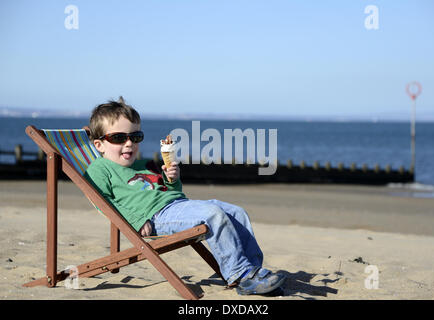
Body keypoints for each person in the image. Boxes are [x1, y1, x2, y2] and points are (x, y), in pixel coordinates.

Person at [83, 96, 286, 295]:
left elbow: (174, 194)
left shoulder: (142, 164)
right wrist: (135, 220)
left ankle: (254, 271)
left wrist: (171, 179)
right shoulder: (100, 169)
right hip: (154, 218)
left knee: (236, 212)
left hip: (176, 206)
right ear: (99, 144)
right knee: (213, 215)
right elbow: (102, 202)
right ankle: (242, 275)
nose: (129, 144)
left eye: (135, 137)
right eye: (119, 138)